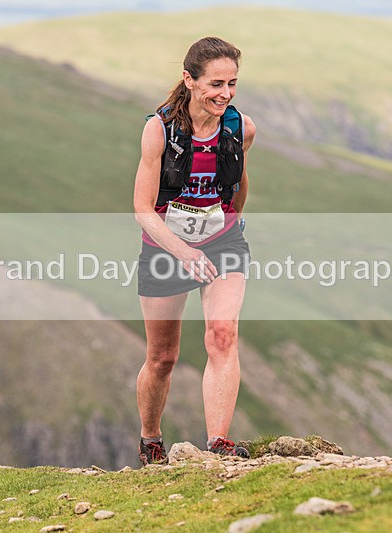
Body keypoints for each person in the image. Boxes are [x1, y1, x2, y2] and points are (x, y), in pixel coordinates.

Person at [133, 36, 256, 466]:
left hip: (223, 243)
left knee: (222, 336)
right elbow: (143, 211)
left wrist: (227, 224)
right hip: (166, 247)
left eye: (233, 84)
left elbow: (238, 183)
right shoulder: (159, 130)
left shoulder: (242, 127)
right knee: (162, 357)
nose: (225, 93)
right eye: (216, 83)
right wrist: (184, 252)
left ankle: (218, 443)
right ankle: (151, 438)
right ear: (189, 79)